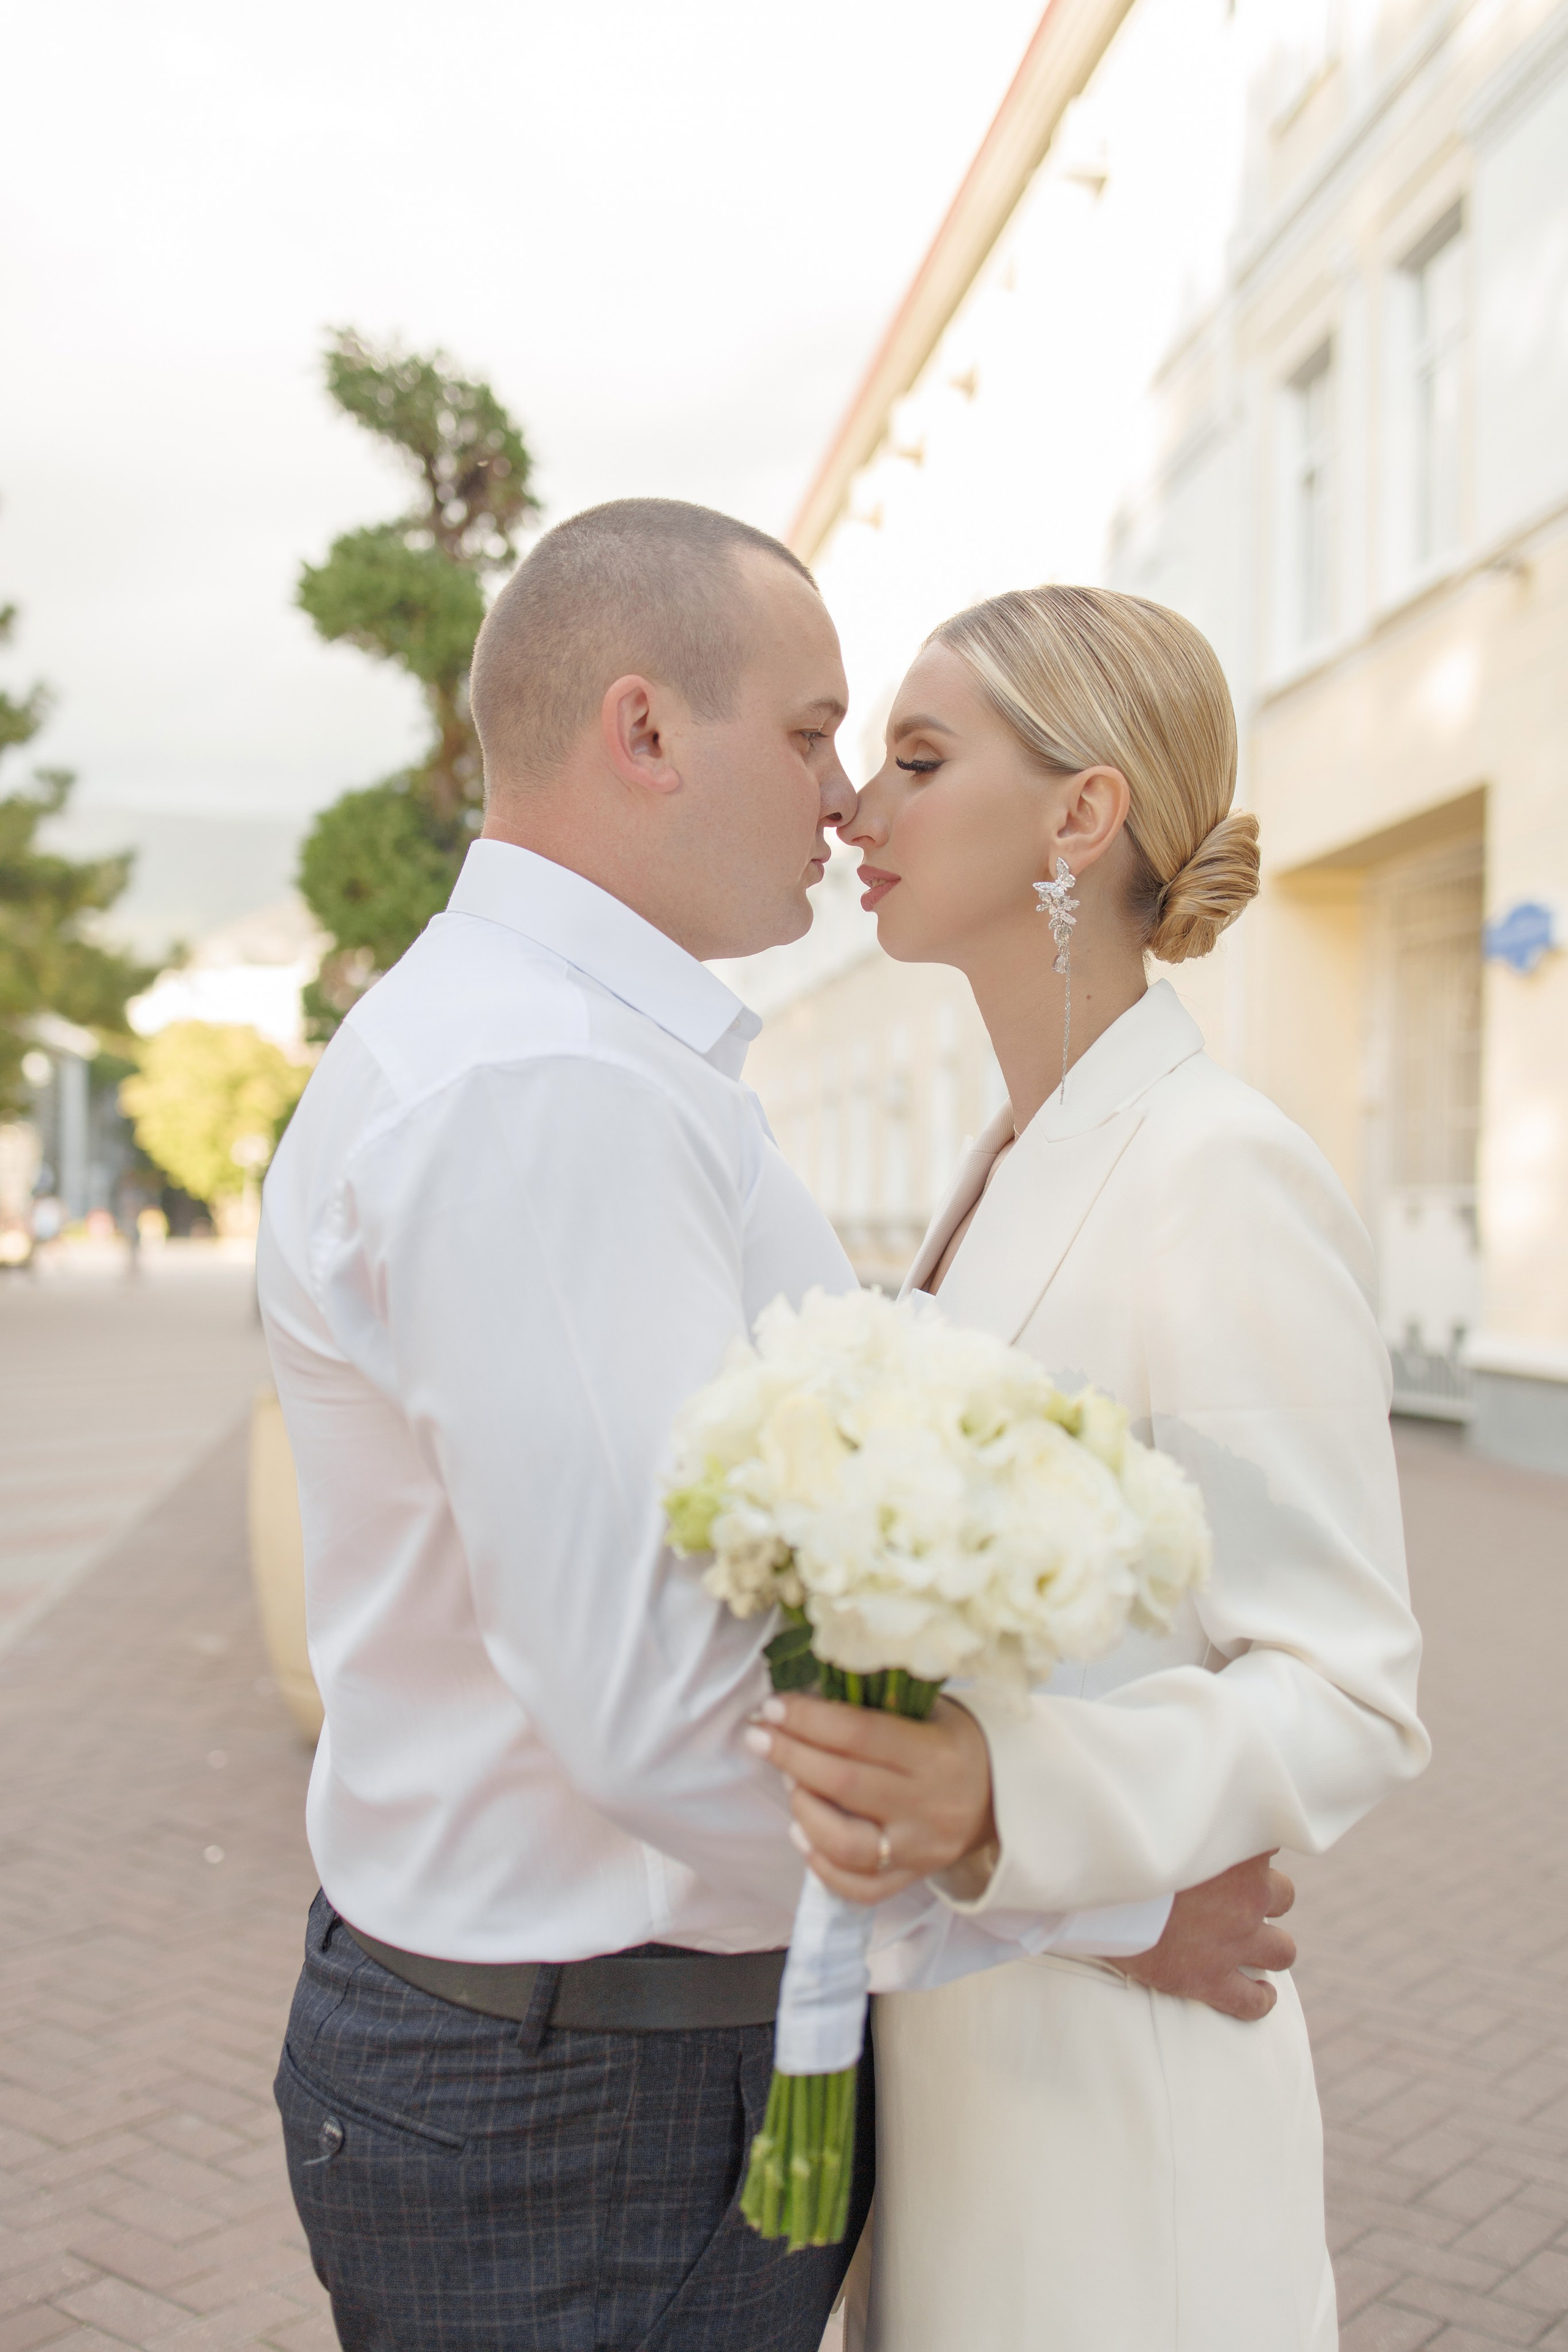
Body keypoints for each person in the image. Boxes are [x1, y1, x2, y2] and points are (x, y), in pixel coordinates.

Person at [260, 510, 1303, 2351]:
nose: (840, 801)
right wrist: (1083, 1909)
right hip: (580, 2108)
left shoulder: (591, 1062)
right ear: (648, 734)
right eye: (819, 733)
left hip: (591, 2072)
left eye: (887, 753)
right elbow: (664, 1712)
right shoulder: (546, 1092)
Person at [753, 584, 1430, 2351]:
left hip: (1117, 2125)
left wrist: (1008, 1803)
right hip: (956, 2058)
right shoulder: (998, 1162)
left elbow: (1348, 1692)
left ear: (1081, 812)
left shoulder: (1217, 1175)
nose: (854, 810)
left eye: (917, 758)